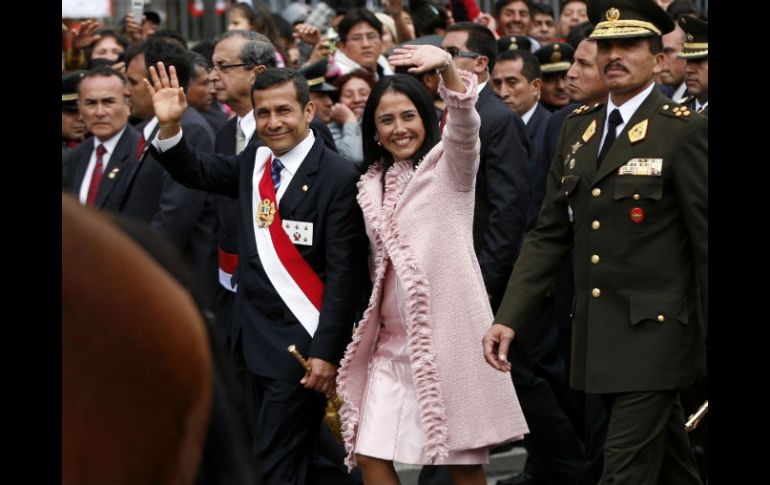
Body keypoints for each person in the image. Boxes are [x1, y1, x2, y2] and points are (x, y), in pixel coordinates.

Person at [484, 1, 707, 484]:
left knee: (621, 470)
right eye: (606, 45)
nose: (614, 55)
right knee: (672, 468)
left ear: (658, 57)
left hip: (659, 338)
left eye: (629, 44)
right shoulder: (577, 126)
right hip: (597, 336)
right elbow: (549, 233)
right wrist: (509, 316)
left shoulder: (684, 131)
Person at [144, 64, 368, 485]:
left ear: (309, 111)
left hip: (299, 352)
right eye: (263, 113)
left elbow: (345, 277)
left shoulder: (338, 177)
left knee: (273, 464)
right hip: (249, 344)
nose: (272, 122)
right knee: (310, 457)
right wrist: (170, 127)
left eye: (283, 111)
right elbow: (200, 171)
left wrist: (325, 353)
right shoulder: (257, 160)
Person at [336, 44, 528, 485]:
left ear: (427, 118)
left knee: (462, 465)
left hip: (449, 339)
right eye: (386, 120)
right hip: (388, 343)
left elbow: (464, 123)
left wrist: (446, 66)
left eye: (408, 116)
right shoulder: (370, 184)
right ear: (373, 130)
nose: (399, 128)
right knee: (368, 452)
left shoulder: (450, 169)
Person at [64, 66, 141, 212]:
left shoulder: (143, 155)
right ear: (80, 108)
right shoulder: (78, 155)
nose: (99, 112)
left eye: (108, 102)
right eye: (91, 103)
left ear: (128, 106)